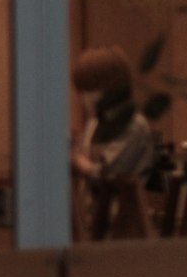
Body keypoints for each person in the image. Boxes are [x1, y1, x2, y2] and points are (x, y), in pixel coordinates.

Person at [70, 45, 165, 239]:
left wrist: (76, 160)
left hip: (125, 226)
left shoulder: (133, 126)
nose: (85, 97)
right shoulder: (93, 125)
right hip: (93, 221)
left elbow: (108, 174)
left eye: (91, 89)